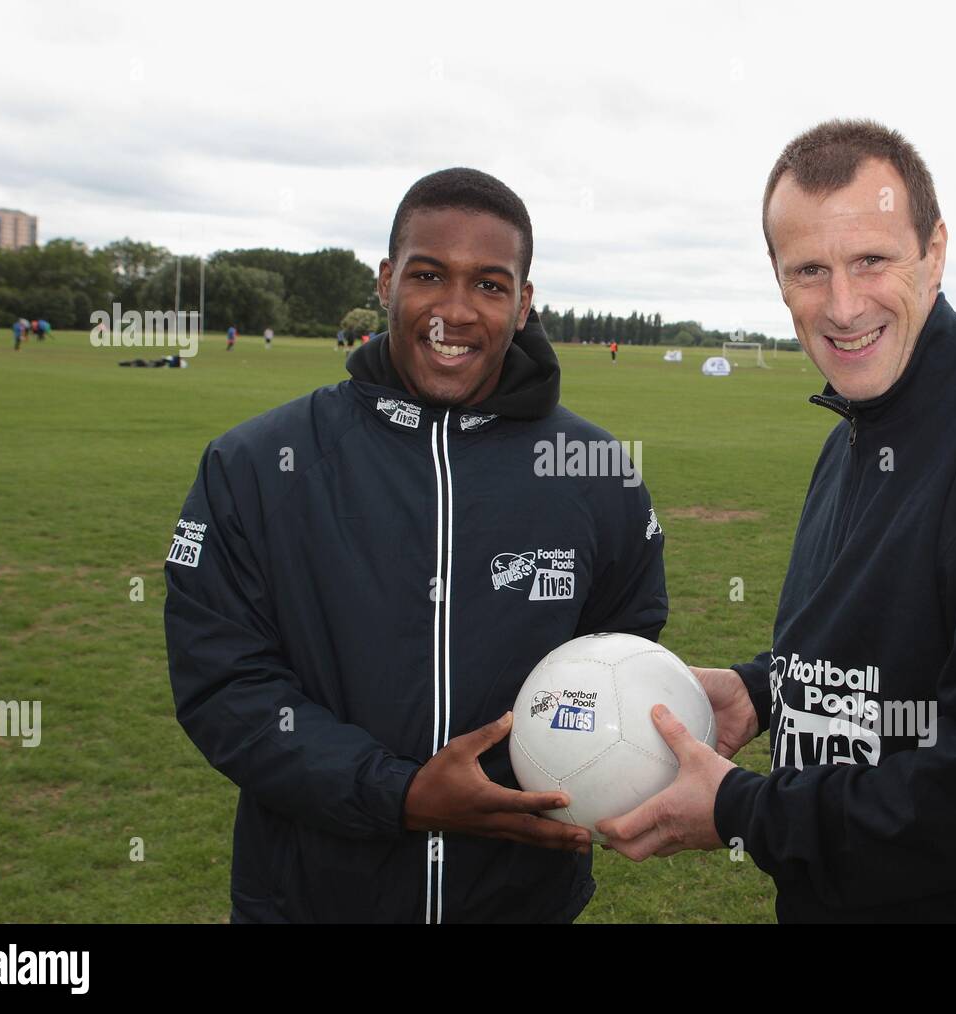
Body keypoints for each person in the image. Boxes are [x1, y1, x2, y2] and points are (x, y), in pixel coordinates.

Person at [599, 118, 956, 924]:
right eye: (811, 270)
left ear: (934, 251)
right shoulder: (852, 440)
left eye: (872, 261)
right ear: (778, 279)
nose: (843, 304)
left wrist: (745, 810)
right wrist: (764, 693)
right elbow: (888, 652)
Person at [165, 167, 667, 924]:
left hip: (519, 901)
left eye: (491, 285)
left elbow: (615, 661)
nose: (454, 312)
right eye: (429, 275)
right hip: (306, 902)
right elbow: (224, 685)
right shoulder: (255, 464)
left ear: (525, 302)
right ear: (386, 280)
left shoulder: (596, 473)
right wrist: (395, 794)